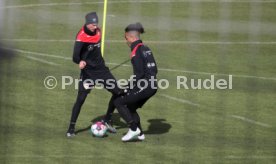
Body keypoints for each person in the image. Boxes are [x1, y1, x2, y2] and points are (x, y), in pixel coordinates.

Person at [66, 12, 123, 137]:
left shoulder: (98, 31)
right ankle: (71, 128)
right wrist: (80, 61)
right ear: (86, 23)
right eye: (92, 24)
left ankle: (107, 119)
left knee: (118, 92)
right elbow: (75, 56)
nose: (95, 26)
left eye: (96, 24)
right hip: (88, 73)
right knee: (80, 99)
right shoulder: (81, 36)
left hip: (102, 70)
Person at [113, 22, 158, 142]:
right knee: (131, 106)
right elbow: (154, 69)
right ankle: (140, 134)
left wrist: (127, 88)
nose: (125, 40)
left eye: (126, 37)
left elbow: (139, 75)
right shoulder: (145, 48)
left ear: (131, 36)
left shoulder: (135, 51)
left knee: (118, 102)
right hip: (152, 85)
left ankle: (133, 129)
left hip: (146, 85)